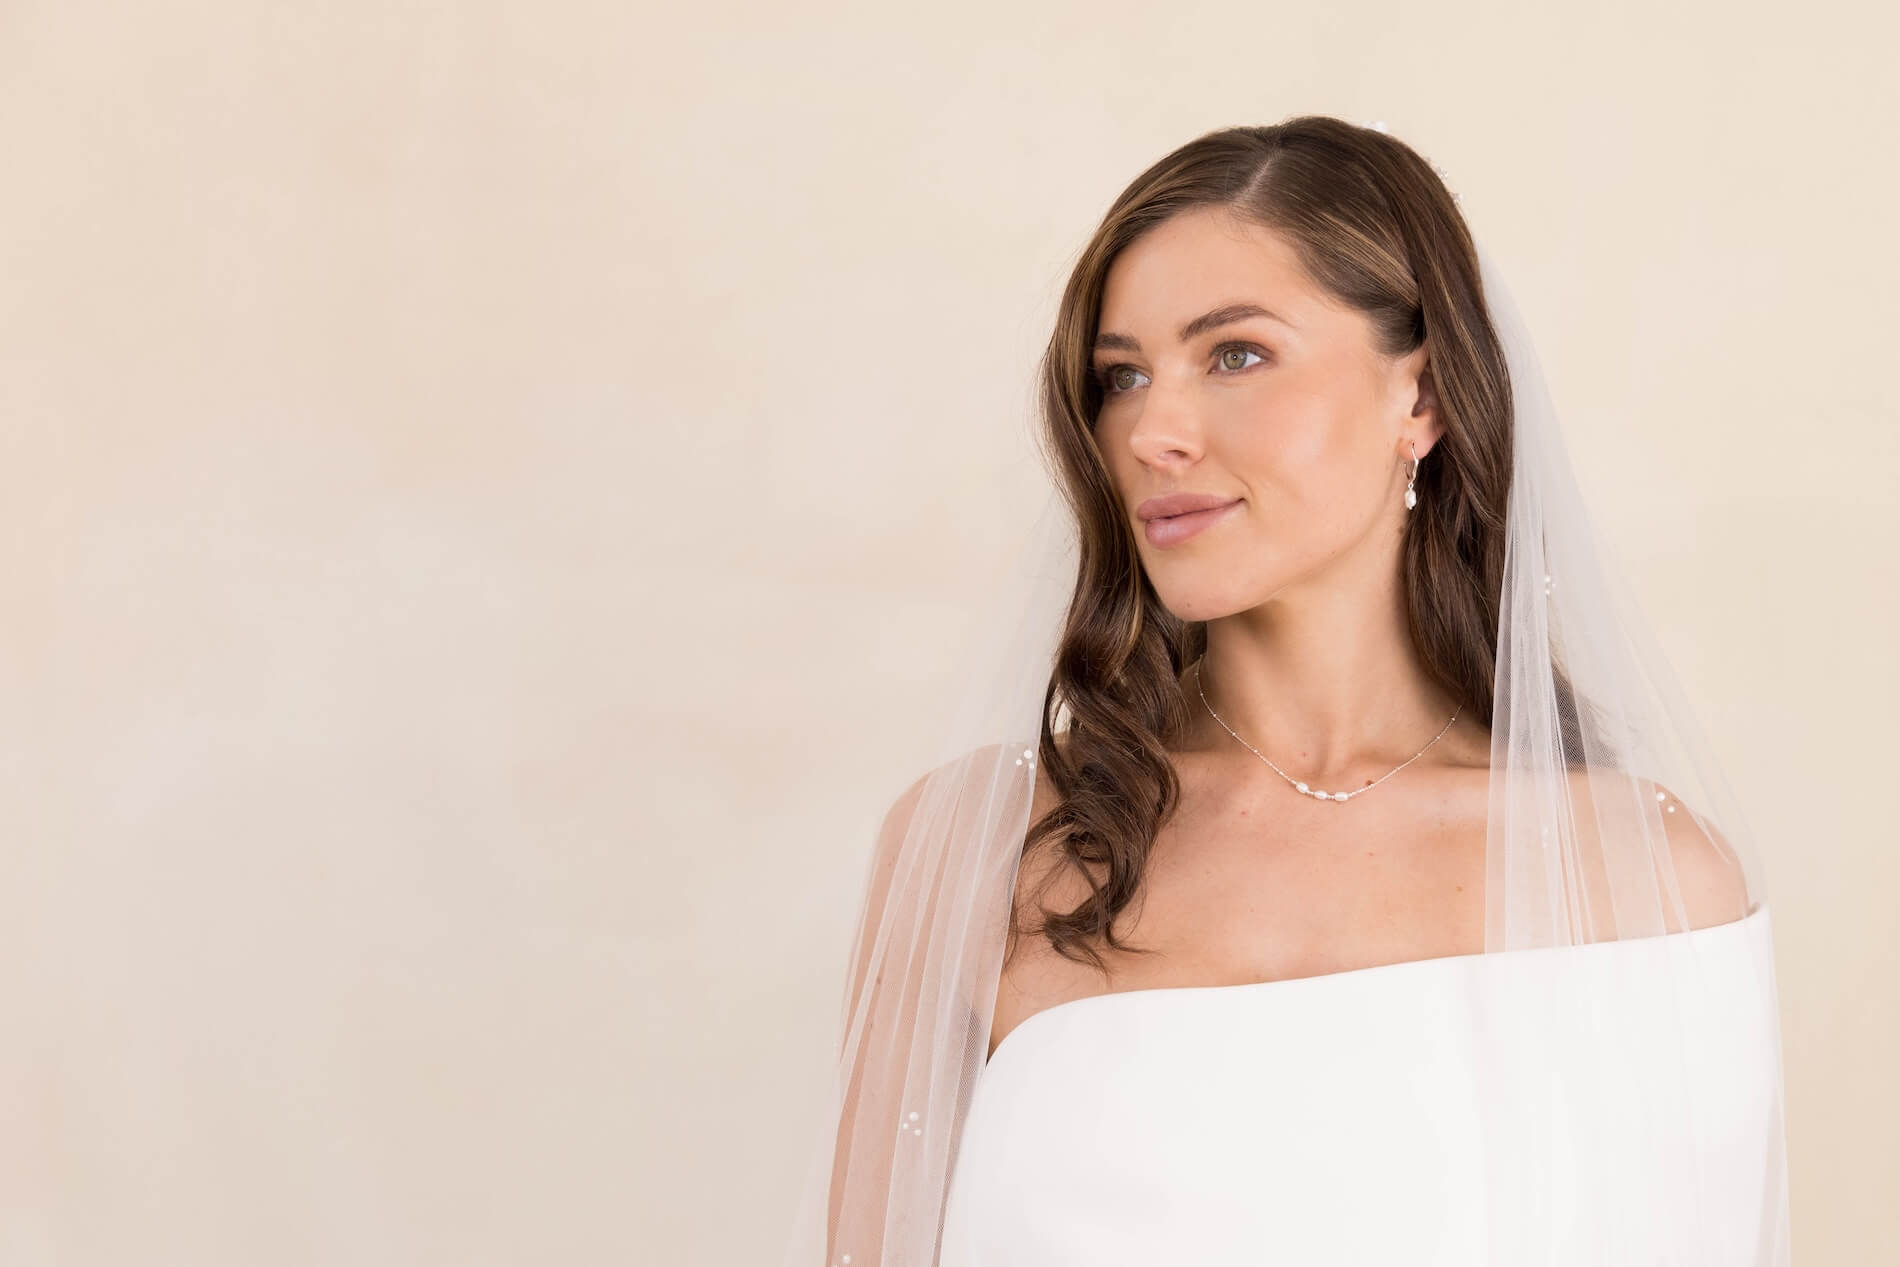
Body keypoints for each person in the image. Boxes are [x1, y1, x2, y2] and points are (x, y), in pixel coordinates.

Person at [780, 115, 1792, 1266]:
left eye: (1236, 354)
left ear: (1421, 400)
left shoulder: (1642, 877)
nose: (1152, 431)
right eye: (1120, 377)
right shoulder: (982, 851)